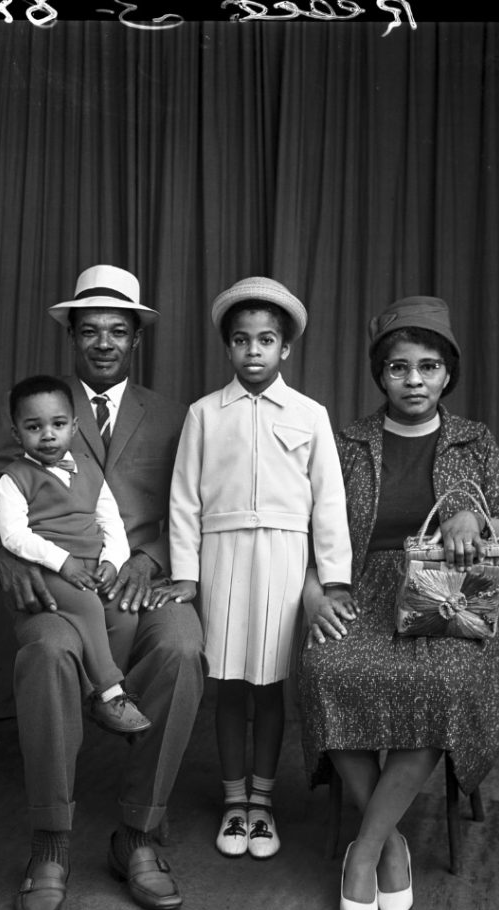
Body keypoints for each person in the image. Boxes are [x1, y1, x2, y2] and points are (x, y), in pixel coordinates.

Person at [0, 265, 206, 910]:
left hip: (141, 581)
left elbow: (189, 506)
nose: (104, 342)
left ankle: (138, 834)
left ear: (136, 338)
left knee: (186, 646)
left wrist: (149, 559)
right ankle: (50, 842)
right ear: (73, 336)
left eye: (119, 331)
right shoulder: (34, 404)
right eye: (91, 331)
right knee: (46, 654)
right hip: (57, 584)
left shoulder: (170, 415)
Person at [297, 295, 499, 910]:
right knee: (324, 671)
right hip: (359, 589)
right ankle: (391, 839)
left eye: (428, 367)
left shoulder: (474, 442)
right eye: (400, 368)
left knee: (443, 682)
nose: (415, 381)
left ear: (447, 374)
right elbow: (307, 528)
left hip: (448, 599)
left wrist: (477, 516)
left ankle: (364, 849)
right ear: (381, 375)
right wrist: (316, 590)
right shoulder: (347, 441)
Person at [161, 277, 353, 860]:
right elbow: (183, 499)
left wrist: (333, 576)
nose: (253, 351)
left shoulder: (309, 413)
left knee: (270, 686)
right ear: (228, 348)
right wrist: (186, 574)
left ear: (285, 349)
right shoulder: (204, 413)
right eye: (241, 340)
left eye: (265, 340)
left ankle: (262, 803)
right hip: (221, 557)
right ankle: (232, 800)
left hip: (285, 559)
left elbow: (329, 499)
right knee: (227, 686)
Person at [0, 373, 149, 735]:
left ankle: (95, 694)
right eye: (34, 427)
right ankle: (112, 691)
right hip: (48, 567)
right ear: (17, 433)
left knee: (123, 614)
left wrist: (112, 562)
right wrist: (62, 563)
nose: (48, 434)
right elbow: (13, 535)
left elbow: (111, 522)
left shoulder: (88, 468)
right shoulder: (14, 478)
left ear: (75, 426)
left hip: (91, 564)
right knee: (87, 605)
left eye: (58, 424)